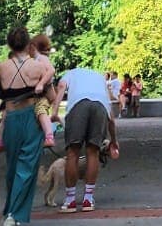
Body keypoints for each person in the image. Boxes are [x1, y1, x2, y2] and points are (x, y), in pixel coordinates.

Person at [0, 26, 47, 226]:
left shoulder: (2, 67)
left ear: (9, 44)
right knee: (27, 166)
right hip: (31, 117)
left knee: (12, 166)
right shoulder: (38, 67)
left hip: (11, 119)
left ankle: (8, 211)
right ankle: (15, 215)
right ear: (28, 44)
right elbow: (49, 93)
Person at [51, 65, 120, 213]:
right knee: (93, 152)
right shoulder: (101, 79)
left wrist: (55, 112)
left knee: (73, 153)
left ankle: (70, 201)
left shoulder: (69, 74)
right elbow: (111, 119)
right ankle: (88, 200)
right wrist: (114, 141)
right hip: (100, 108)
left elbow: (61, 87)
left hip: (78, 106)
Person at [0, 31, 57, 157]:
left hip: (20, 108)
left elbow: (51, 72)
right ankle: (0, 142)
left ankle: (49, 135)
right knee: (28, 157)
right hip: (32, 104)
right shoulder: (35, 63)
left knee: (39, 111)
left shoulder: (40, 60)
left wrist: (41, 83)